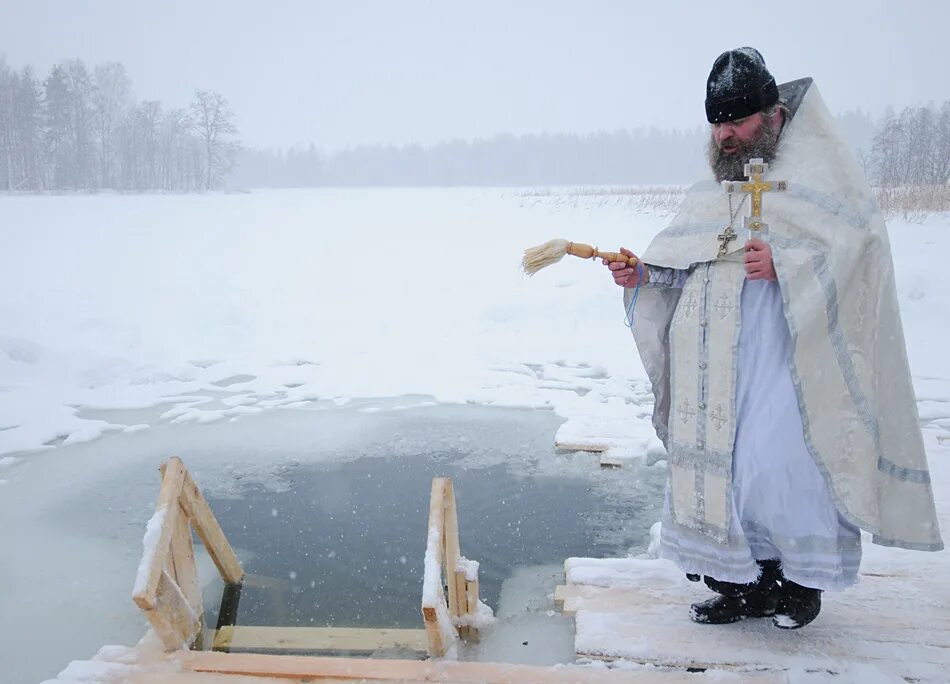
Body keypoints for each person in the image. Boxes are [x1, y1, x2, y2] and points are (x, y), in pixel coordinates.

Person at [604, 47, 943, 629]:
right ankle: (739, 583)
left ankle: (799, 586)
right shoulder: (716, 185)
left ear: (774, 114)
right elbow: (686, 257)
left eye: (736, 121)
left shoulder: (821, 174)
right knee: (726, 467)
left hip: (788, 351)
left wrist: (786, 261)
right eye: (717, 123)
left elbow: (859, 252)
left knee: (784, 463)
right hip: (713, 362)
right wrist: (643, 273)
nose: (725, 134)